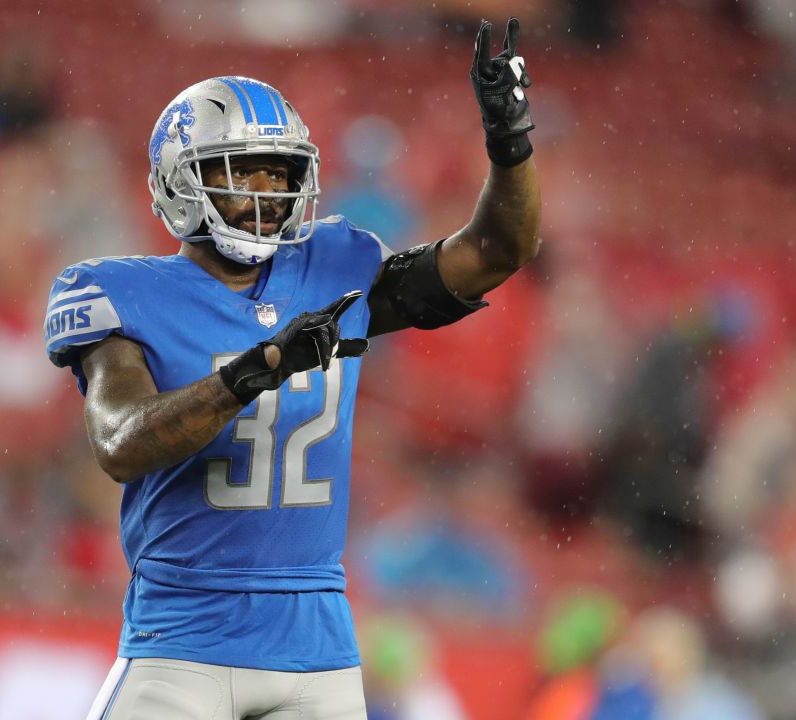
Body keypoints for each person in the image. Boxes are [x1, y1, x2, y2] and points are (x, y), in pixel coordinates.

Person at [42, 17, 540, 720]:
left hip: (316, 647)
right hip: (181, 637)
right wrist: (253, 373)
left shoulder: (334, 268)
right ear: (181, 182)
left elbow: (496, 250)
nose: (266, 193)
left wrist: (510, 148)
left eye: (278, 173)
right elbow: (121, 443)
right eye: (240, 172)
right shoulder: (124, 293)